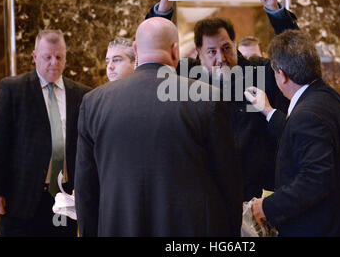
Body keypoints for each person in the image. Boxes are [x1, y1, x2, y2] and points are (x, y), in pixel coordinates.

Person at [75, 17, 243, 236]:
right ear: (175, 51)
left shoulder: (93, 102)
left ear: (136, 50)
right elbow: (229, 184)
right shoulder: (208, 98)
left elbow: (86, 190)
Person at [145, 0, 299, 201]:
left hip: (255, 196)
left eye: (226, 48)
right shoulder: (183, 77)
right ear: (198, 53)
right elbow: (151, 58)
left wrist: (275, 10)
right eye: (211, 51)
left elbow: (295, 56)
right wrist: (163, 9)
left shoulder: (259, 71)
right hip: (202, 195)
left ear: (234, 44)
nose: (221, 58)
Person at [245, 30, 340, 236]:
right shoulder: (334, 99)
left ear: (282, 74)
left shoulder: (307, 114)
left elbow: (314, 180)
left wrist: (268, 206)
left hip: (319, 228)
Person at [0, 30, 91, 237]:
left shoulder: (81, 95)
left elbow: (85, 146)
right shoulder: (13, 89)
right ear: (35, 56)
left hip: (64, 200)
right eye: (47, 57)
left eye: (59, 57)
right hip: (21, 199)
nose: (54, 63)